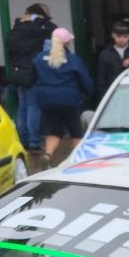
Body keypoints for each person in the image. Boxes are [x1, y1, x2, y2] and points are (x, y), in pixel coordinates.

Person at [30, 28, 92, 164]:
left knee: (53, 131)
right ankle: (75, 160)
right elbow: (85, 81)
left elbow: (32, 77)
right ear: (68, 42)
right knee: (76, 132)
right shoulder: (74, 61)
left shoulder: (39, 58)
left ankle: (48, 154)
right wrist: (87, 93)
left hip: (46, 100)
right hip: (69, 100)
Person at [5, 3, 56, 151]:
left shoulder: (16, 30)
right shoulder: (38, 30)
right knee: (34, 108)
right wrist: (40, 20)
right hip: (34, 72)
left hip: (20, 72)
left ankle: (23, 140)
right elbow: (54, 29)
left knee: (22, 108)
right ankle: (35, 142)